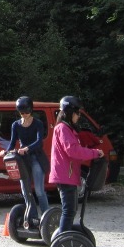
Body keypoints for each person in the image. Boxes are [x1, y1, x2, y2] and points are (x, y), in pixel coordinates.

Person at [48, 96, 104, 235]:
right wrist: (95, 153)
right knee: (68, 211)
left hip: (69, 174)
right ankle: (63, 240)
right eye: (77, 113)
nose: (79, 116)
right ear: (69, 112)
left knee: (71, 210)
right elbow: (72, 151)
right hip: (64, 175)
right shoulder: (62, 128)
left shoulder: (68, 129)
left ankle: (65, 237)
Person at [0, 96, 49, 225]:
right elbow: (12, 142)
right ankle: (32, 217)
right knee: (25, 190)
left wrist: (27, 148)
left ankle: (46, 216)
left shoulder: (38, 123)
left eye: (27, 112)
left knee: (39, 190)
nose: (24, 115)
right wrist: (6, 151)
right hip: (23, 159)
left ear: (31, 110)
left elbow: (39, 142)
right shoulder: (15, 125)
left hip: (36, 156)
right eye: (22, 113)